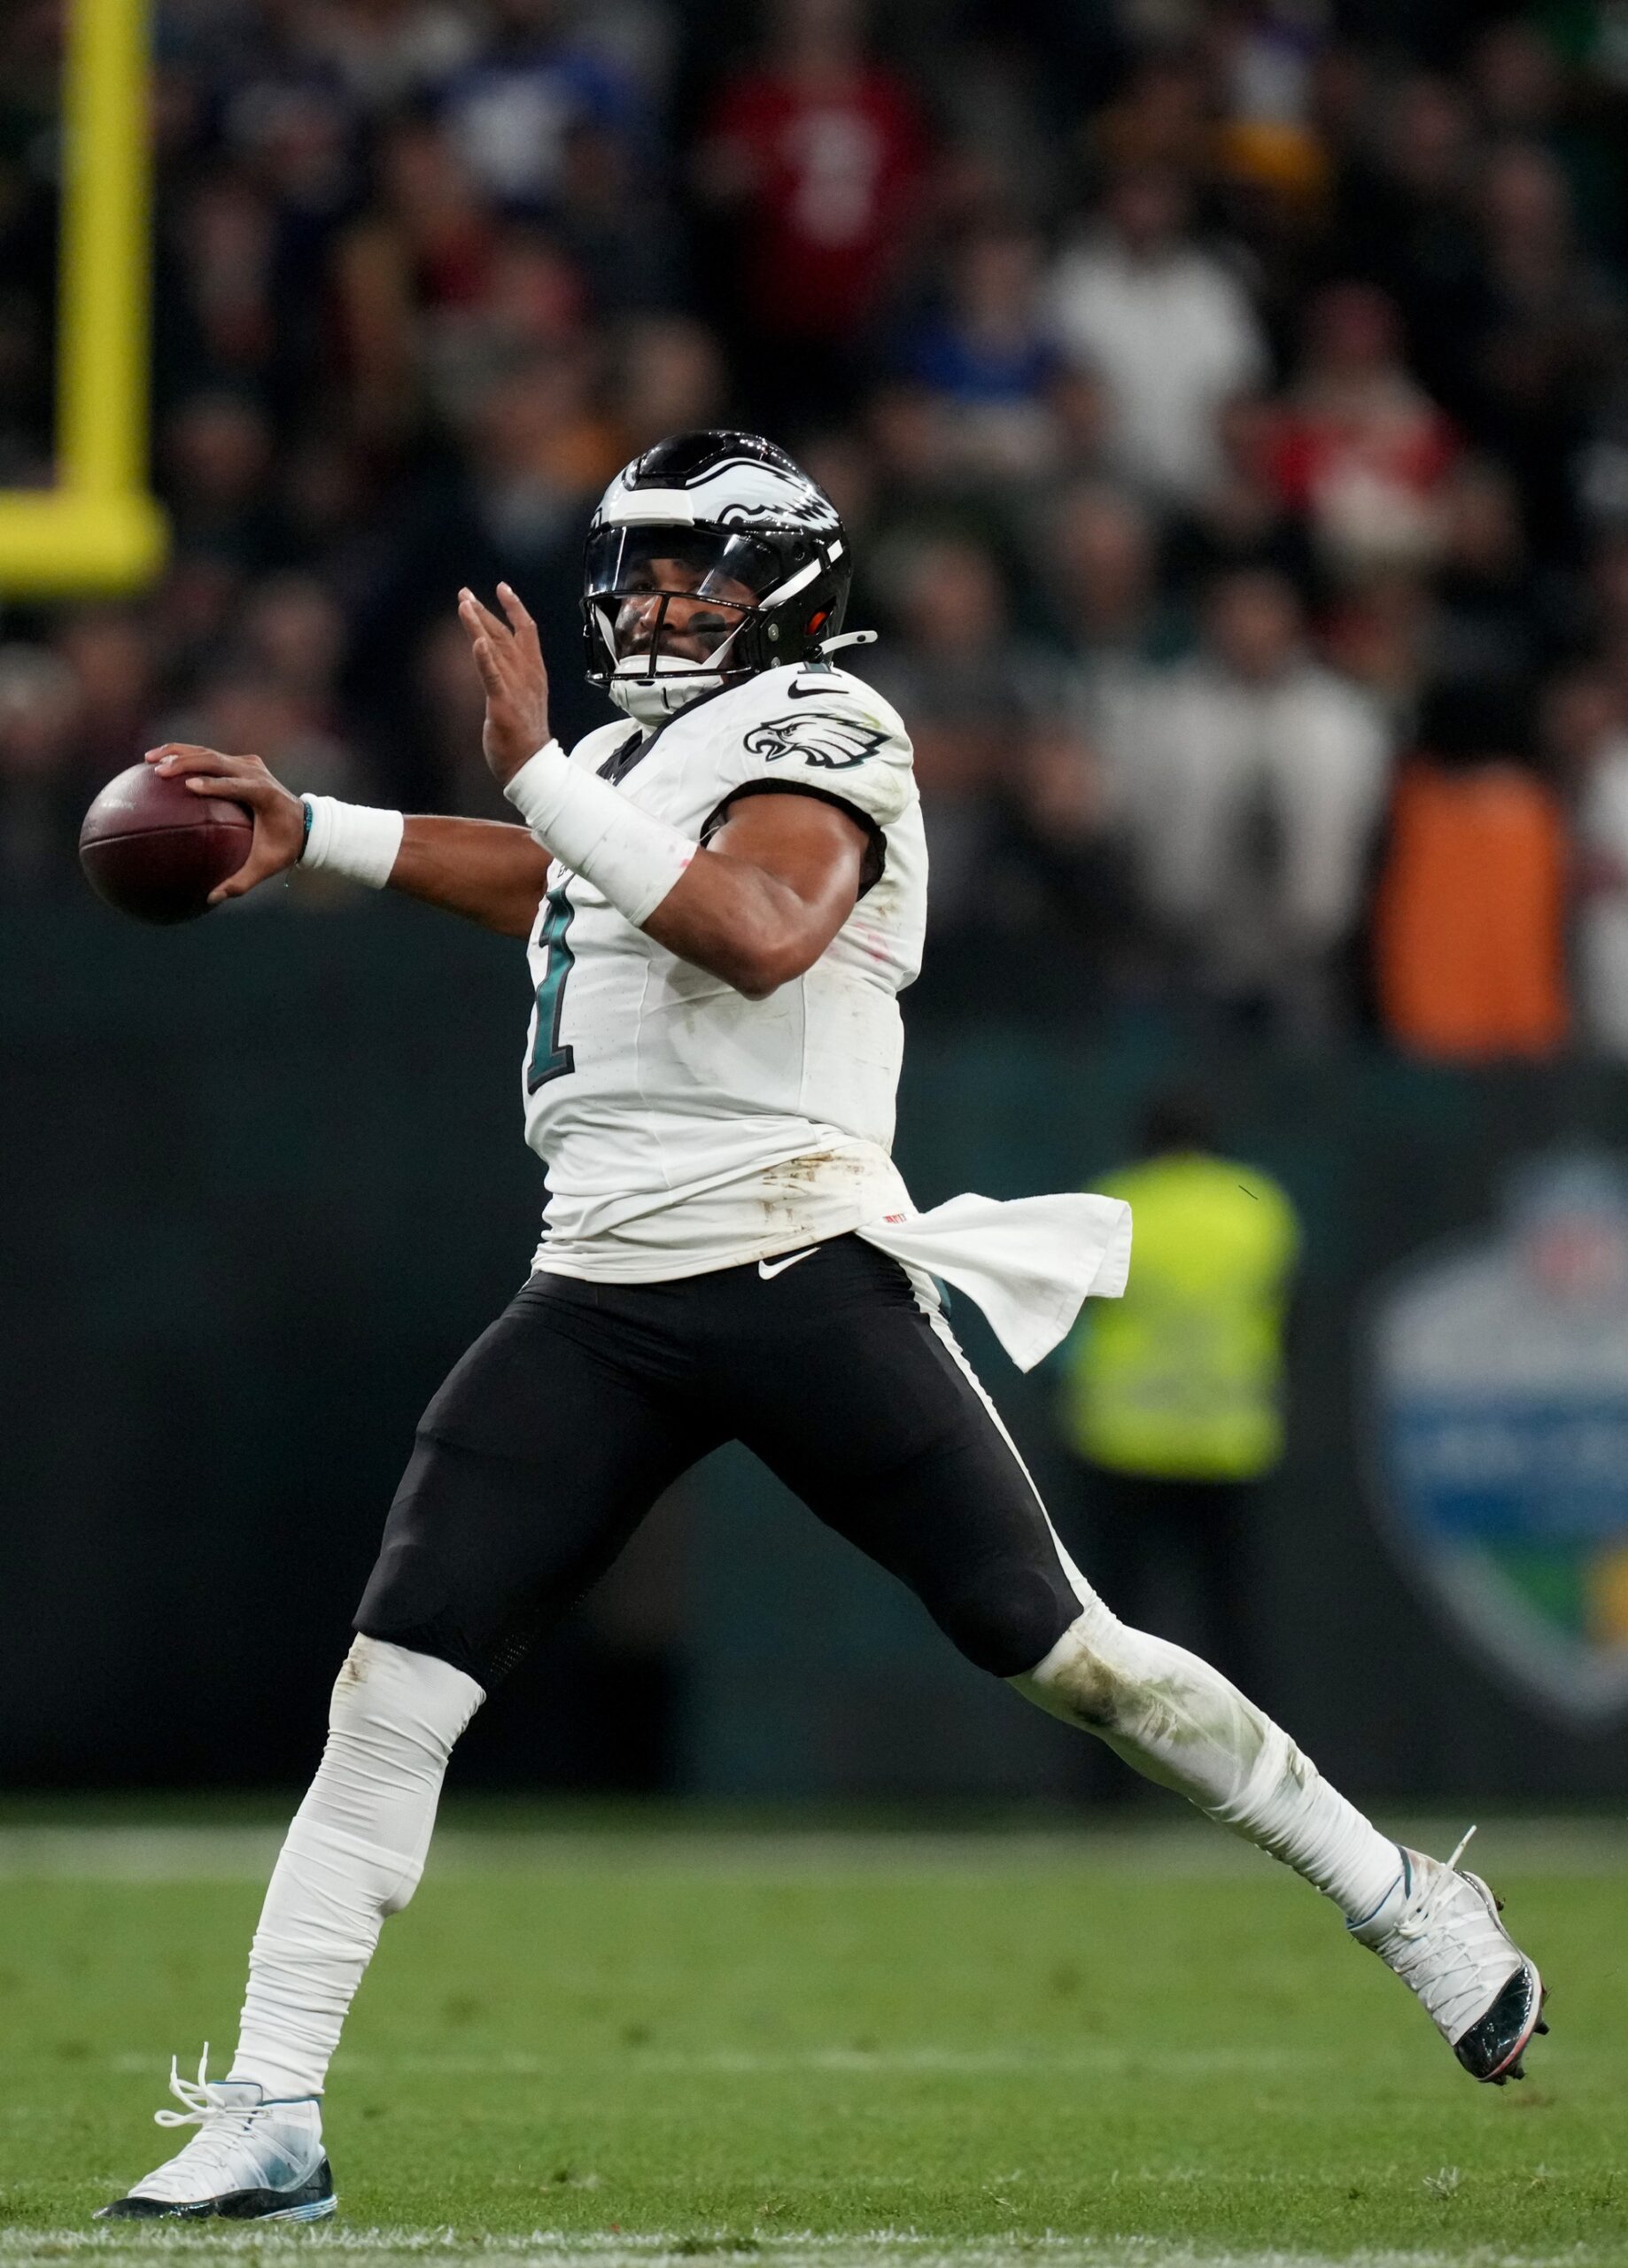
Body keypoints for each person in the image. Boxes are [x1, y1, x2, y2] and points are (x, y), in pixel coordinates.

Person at [98, 431, 1543, 2224]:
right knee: (391, 1683)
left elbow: (758, 931)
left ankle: (1402, 1896)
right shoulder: (628, 761)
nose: (648, 600)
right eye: (637, 565)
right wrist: (320, 824)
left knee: (1058, 1647)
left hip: (792, 1260)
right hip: (597, 1284)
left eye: (693, 568)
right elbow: (560, 885)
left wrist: (545, 771)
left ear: (786, 587)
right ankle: (271, 2107)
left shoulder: (829, 736)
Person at [1055, 1090, 1300, 1703]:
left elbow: (1066, 1315)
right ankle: (1257, 1776)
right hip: (1228, 1438)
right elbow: (1287, 1314)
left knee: (1103, 1626)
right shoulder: (1257, 1206)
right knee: (1235, 1622)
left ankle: (1102, 1791)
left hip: (1120, 1439)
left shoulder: (1116, 1201)